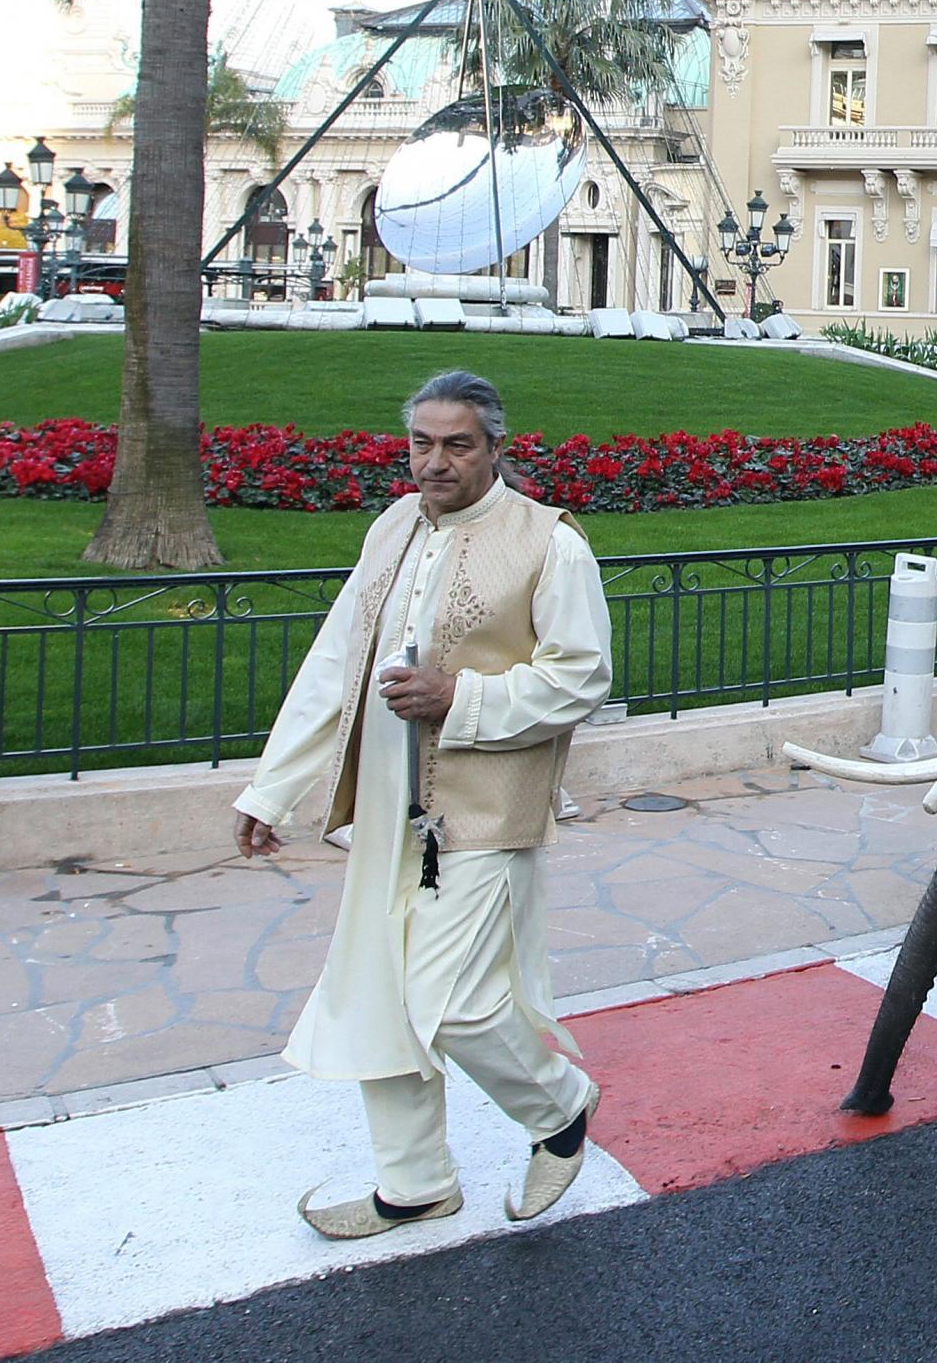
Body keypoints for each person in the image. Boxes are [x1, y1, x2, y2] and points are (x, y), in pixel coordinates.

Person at [233, 370, 614, 1238]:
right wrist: (272, 789)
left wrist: (461, 700)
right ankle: (414, 1183)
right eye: (421, 443)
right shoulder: (393, 527)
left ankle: (558, 1106)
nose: (435, 462)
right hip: (385, 808)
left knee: (455, 1003)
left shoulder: (549, 542)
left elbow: (582, 674)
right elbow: (338, 660)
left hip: (482, 811)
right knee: (378, 991)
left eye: (457, 444)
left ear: (495, 447)